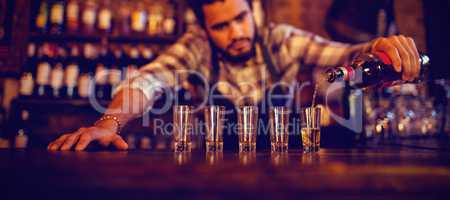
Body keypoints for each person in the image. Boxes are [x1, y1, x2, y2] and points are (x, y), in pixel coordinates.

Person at [47, 0, 421, 151]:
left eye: (241, 18)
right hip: (211, 174)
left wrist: (376, 50)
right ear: (206, 29)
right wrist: (109, 122)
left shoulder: (281, 40)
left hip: (281, 170)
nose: (236, 33)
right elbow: (149, 80)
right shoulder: (196, 46)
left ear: (254, 11)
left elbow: (342, 55)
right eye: (222, 26)